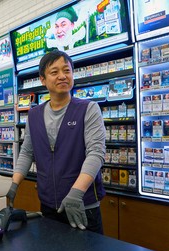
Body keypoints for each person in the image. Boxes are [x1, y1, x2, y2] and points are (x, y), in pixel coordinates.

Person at [6, 50, 106, 234]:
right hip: (48, 204)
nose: (62, 76)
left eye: (66, 70)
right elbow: (27, 152)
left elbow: (96, 153)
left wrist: (76, 192)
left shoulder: (88, 109)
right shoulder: (34, 115)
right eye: (54, 72)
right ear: (43, 79)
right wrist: (14, 184)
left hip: (82, 204)